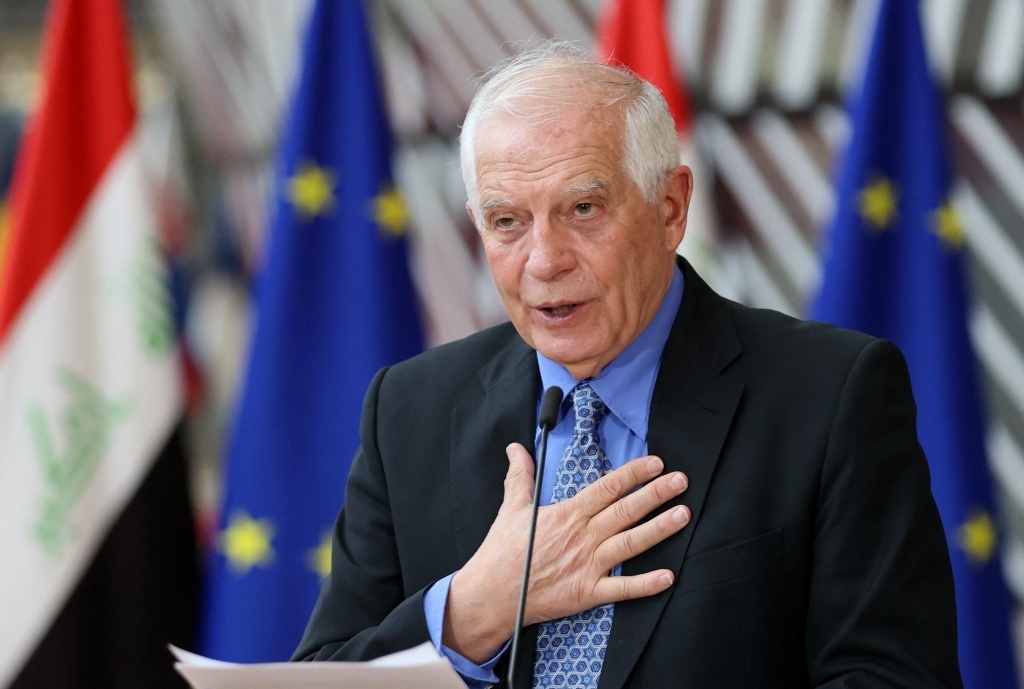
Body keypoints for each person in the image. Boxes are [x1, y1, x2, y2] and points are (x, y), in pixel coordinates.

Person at [293, 42, 962, 688]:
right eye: (507, 222)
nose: (544, 260)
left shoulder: (829, 395)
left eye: (582, 209)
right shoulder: (409, 409)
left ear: (670, 208)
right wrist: (470, 612)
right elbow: (322, 672)